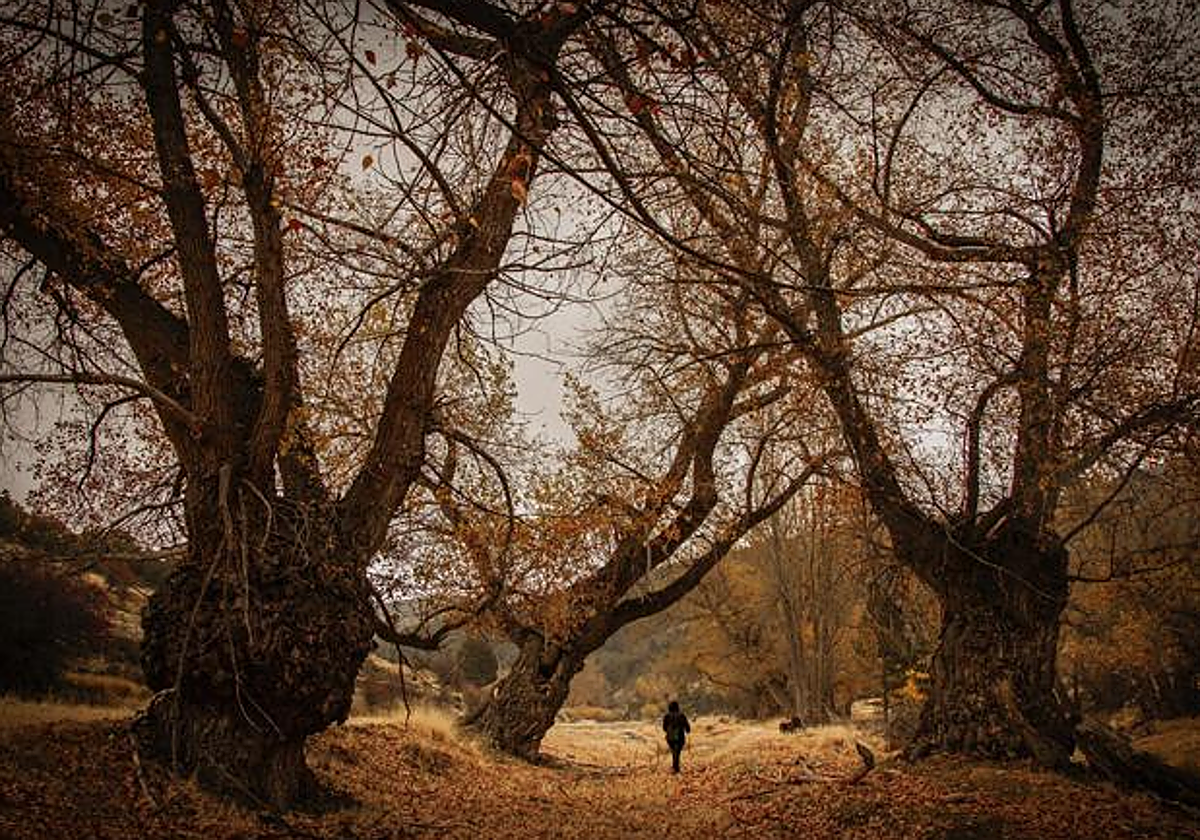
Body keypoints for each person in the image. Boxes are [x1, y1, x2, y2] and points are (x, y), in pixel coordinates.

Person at [662, 699, 691, 773]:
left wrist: (669, 731)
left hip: (670, 737)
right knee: (677, 752)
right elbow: (687, 727)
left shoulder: (666, 716)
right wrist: (687, 731)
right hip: (680, 736)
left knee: (674, 752)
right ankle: (676, 767)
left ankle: (675, 766)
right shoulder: (682, 715)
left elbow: (664, 728)